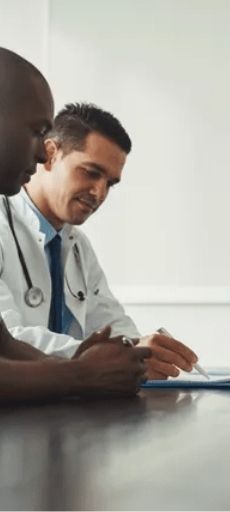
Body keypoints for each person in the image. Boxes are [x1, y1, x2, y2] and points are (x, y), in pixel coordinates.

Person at [0, 102, 198, 380]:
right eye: (91, 172)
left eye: (110, 183)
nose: (99, 192)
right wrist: (113, 358)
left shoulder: (78, 247)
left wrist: (142, 351)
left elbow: (111, 323)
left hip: (68, 407)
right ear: (50, 154)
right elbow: (7, 341)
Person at [0, 46, 151, 401]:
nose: (39, 155)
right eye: (37, 131)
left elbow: (3, 342)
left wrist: (134, 354)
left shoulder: (78, 247)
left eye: (110, 183)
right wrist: (80, 373)